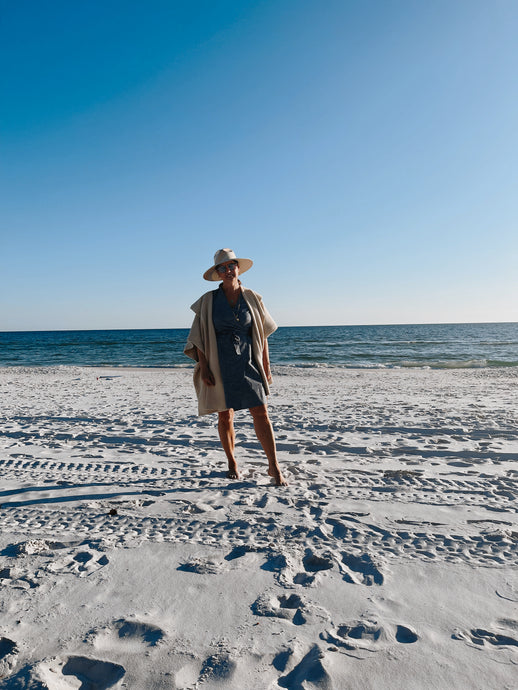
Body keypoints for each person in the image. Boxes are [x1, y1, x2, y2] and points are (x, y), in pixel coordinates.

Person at [184, 248, 287, 486]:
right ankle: (231, 462)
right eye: (223, 268)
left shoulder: (252, 297)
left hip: (249, 362)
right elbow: (198, 336)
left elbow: (262, 334)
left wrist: (266, 365)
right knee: (225, 415)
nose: (228, 270)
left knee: (261, 412)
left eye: (231, 266)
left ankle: (273, 465)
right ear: (218, 274)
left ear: (238, 268)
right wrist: (205, 366)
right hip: (219, 362)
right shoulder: (207, 301)